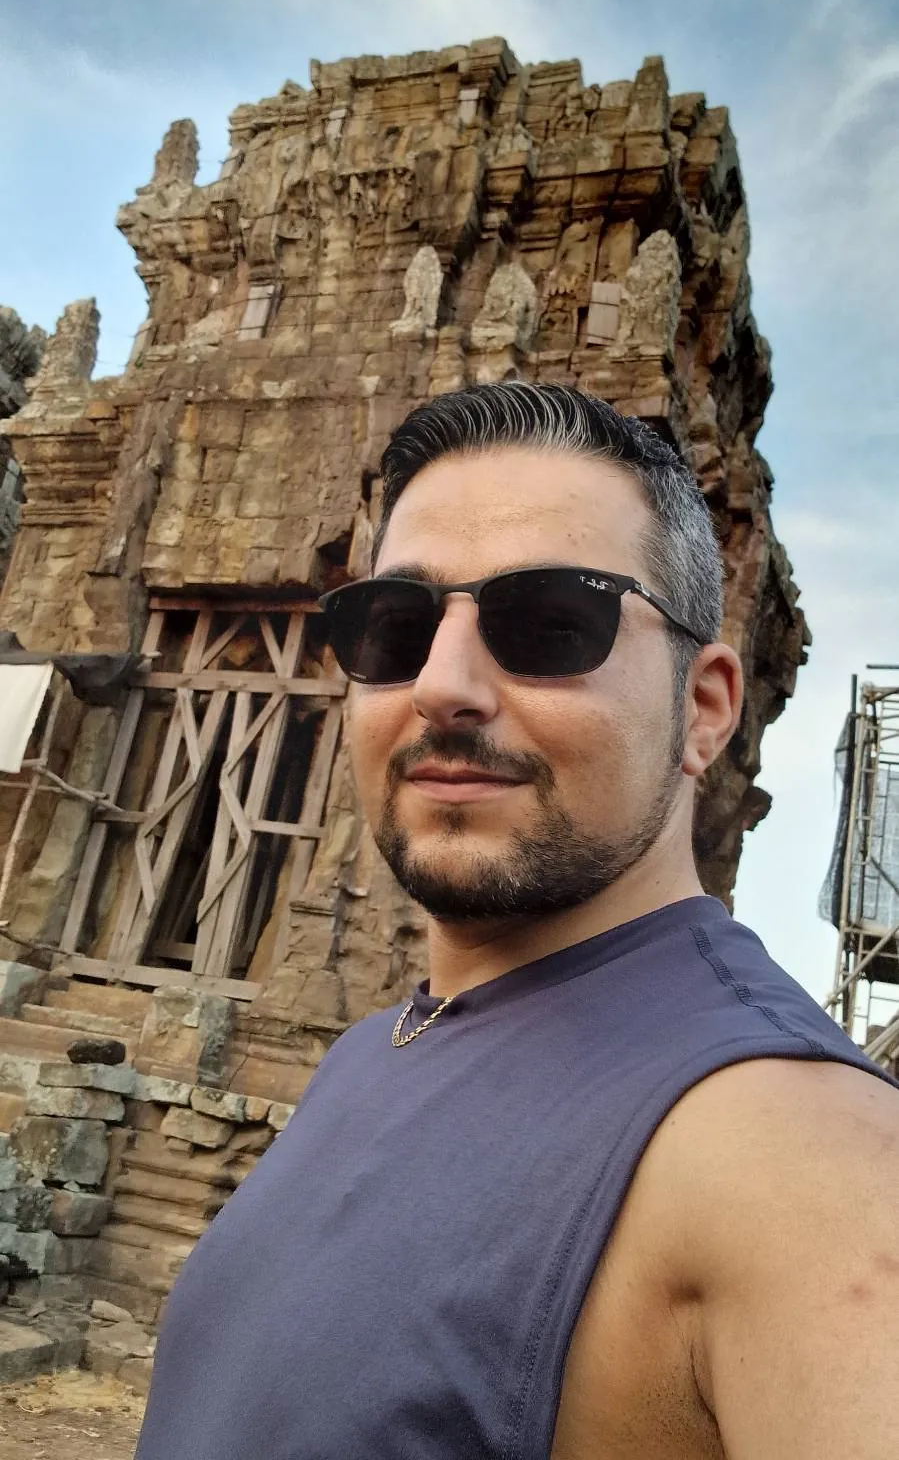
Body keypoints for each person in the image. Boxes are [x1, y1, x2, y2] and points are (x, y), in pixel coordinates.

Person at [136, 382, 899, 1460]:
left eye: (549, 623)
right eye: (393, 627)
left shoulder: (799, 1156)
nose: (441, 685)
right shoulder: (377, 1044)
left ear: (704, 707)